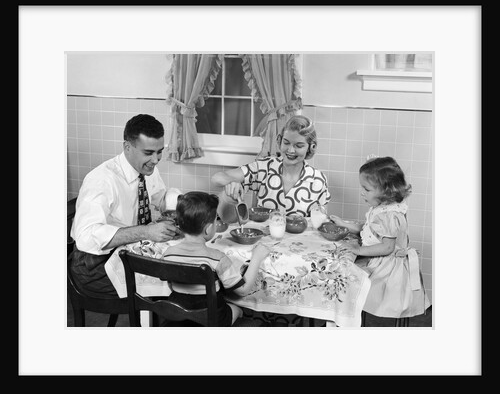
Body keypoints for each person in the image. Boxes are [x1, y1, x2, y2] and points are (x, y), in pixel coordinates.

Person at [69, 114, 182, 297]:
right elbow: (86, 237)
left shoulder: (147, 169)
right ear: (127, 147)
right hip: (93, 265)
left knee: (181, 271)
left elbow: (160, 200)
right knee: (173, 284)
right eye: (148, 153)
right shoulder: (101, 180)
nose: (155, 160)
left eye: (159, 151)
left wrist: (187, 205)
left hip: (128, 251)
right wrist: (145, 232)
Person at [330, 156, 430, 319]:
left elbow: (387, 247)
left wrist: (358, 249)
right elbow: (369, 230)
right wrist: (344, 224)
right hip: (381, 261)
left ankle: (344, 319)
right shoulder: (382, 209)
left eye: (367, 189)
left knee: (347, 281)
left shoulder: (387, 215)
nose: (362, 192)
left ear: (386, 191)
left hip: (388, 268)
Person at [162, 191, 271, 326]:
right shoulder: (217, 259)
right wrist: (257, 258)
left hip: (177, 316)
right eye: (215, 220)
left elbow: (171, 285)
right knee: (239, 309)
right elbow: (243, 290)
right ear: (208, 229)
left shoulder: (168, 254)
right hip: (212, 319)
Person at [211, 115, 331, 218]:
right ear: (279, 141)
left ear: (310, 147)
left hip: (299, 243)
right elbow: (217, 178)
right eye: (286, 142)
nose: (290, 150)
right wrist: (234, 184)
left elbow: (319, 221)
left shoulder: (318, 180)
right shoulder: (264, 167)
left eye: (299, 146)